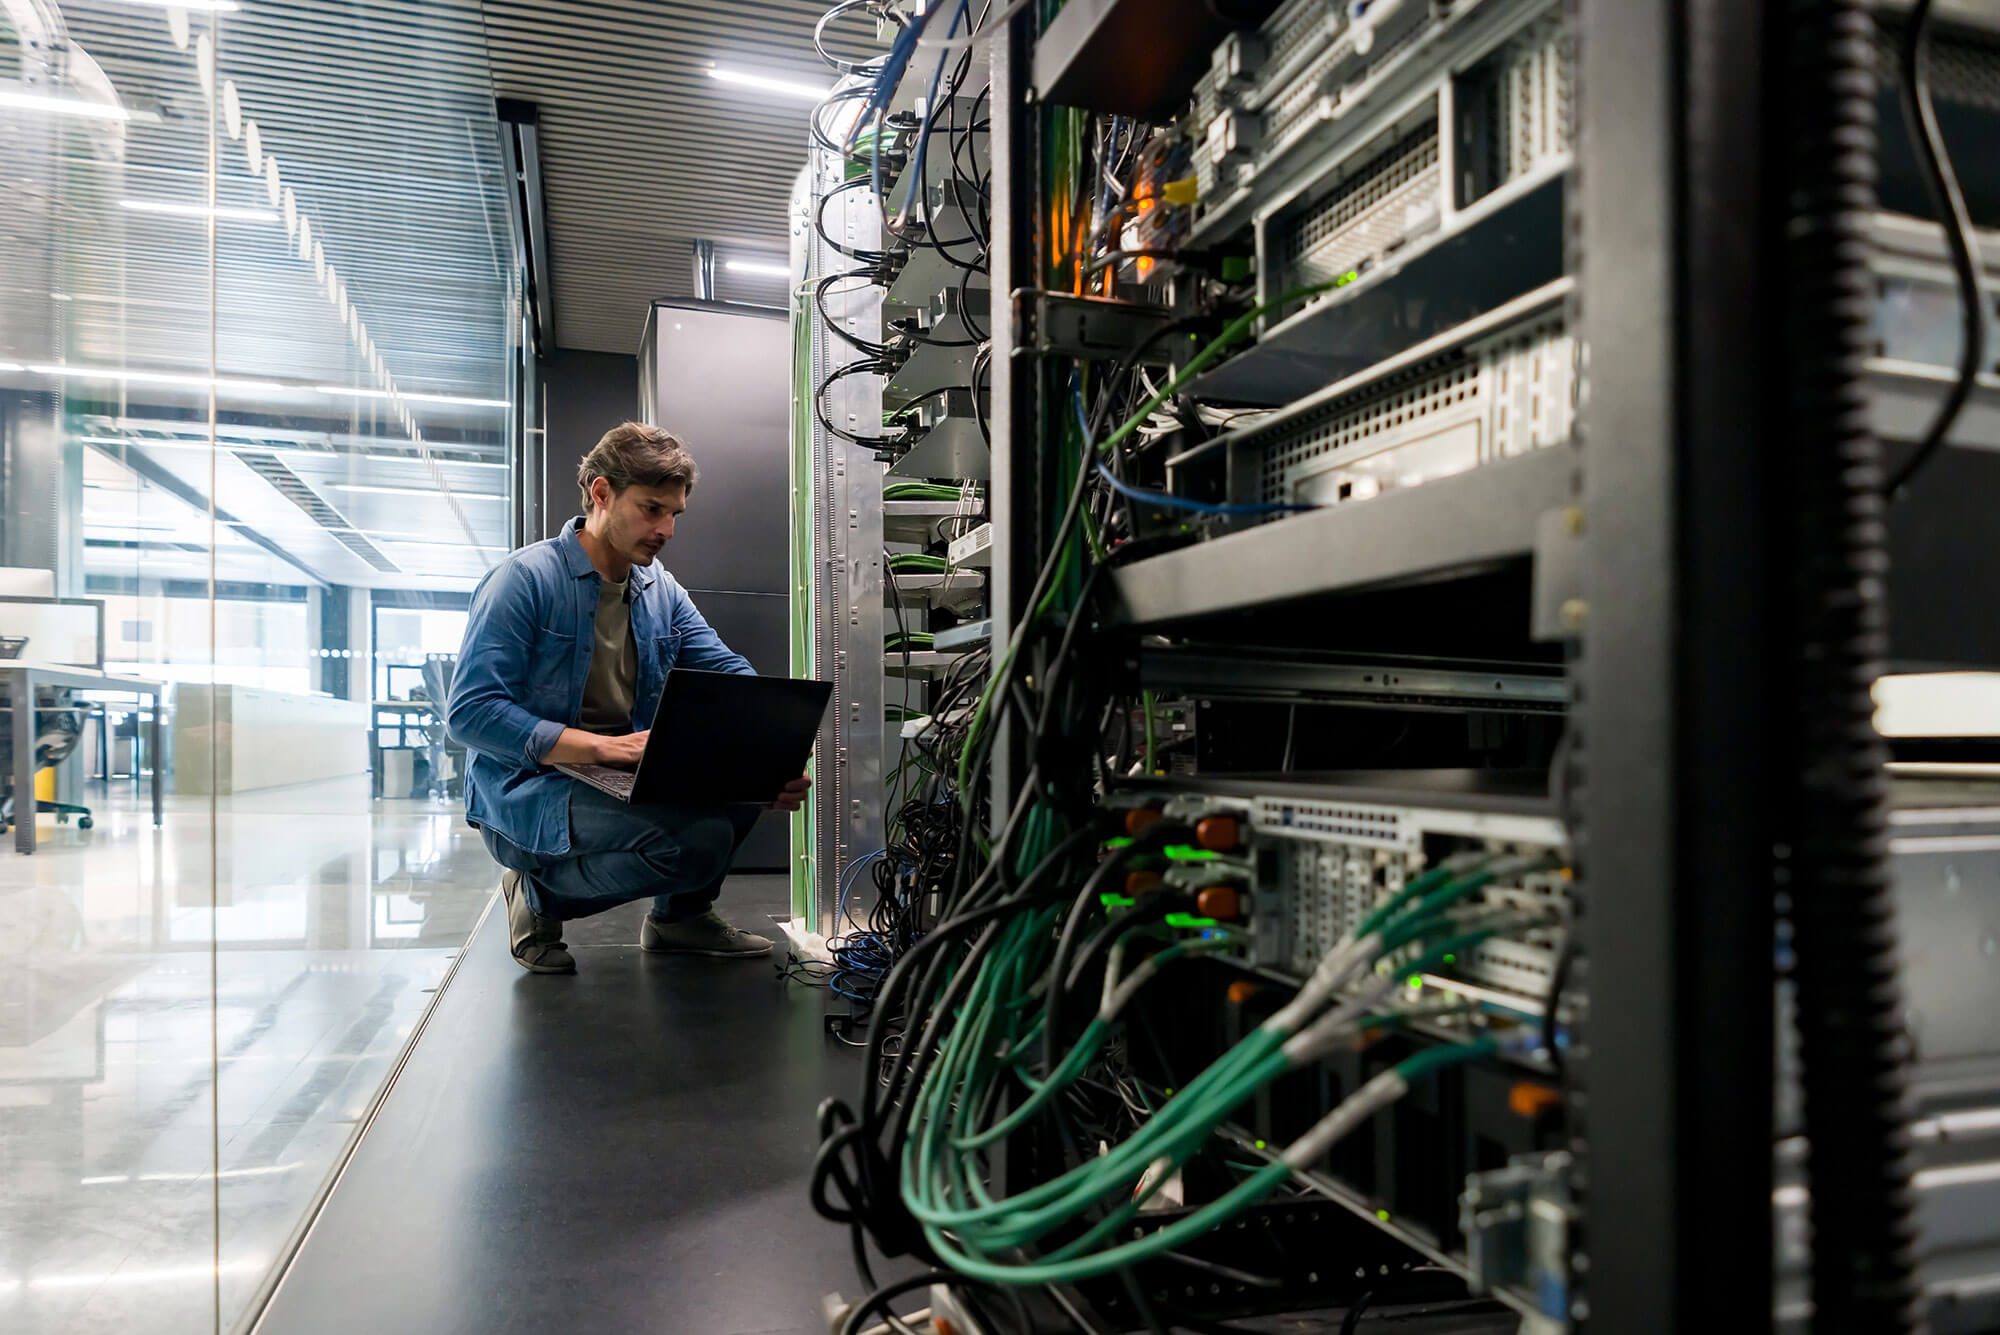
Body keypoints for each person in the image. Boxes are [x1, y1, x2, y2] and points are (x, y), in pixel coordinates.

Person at [447, 422, 810, 974]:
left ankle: (679, 920)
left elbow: (728, 674)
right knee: (695, 842)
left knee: (739, 795)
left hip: (620, 771)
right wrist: (599, 749)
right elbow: (470, 713)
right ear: (600, 493)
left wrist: (763, 755)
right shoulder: (523, 581)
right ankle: (536, 895)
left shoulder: (660, 588)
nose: (666, 528)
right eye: (651, 509)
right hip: (530, 785)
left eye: (674, 514)